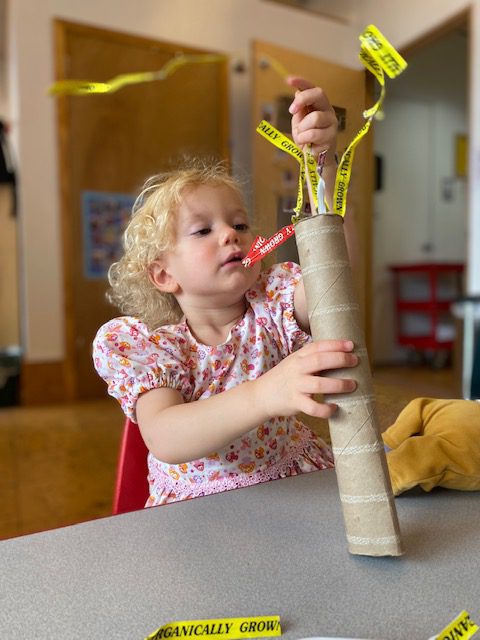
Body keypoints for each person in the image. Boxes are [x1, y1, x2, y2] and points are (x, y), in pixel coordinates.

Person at [93, 77, 358, 507]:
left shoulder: (274, 302)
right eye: (203, 230)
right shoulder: (150, 345)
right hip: (199, 515)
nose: (230, 236)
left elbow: (335, 279)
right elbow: (165, 436)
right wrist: (264, 393)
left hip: (293, 489)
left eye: (239, 224)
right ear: (162, 275)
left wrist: (322, 166)